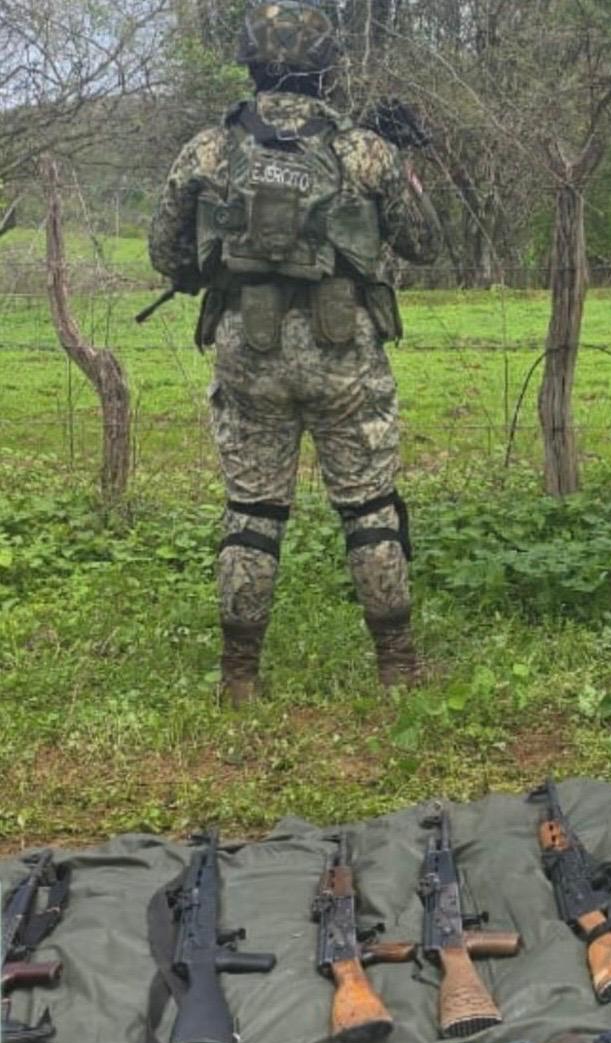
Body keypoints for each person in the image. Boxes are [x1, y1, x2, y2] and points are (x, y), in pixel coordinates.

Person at [148, 2, 440, 705]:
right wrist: (405, 161)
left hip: (249, 354)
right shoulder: (363, 150)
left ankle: (238, 678)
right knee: (370, 509)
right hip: (346, 357)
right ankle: (397, 670)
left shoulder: (209, 149)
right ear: (328, 68)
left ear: (249, 62)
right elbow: (424, 244)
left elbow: (165, 252)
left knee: (252, 514)